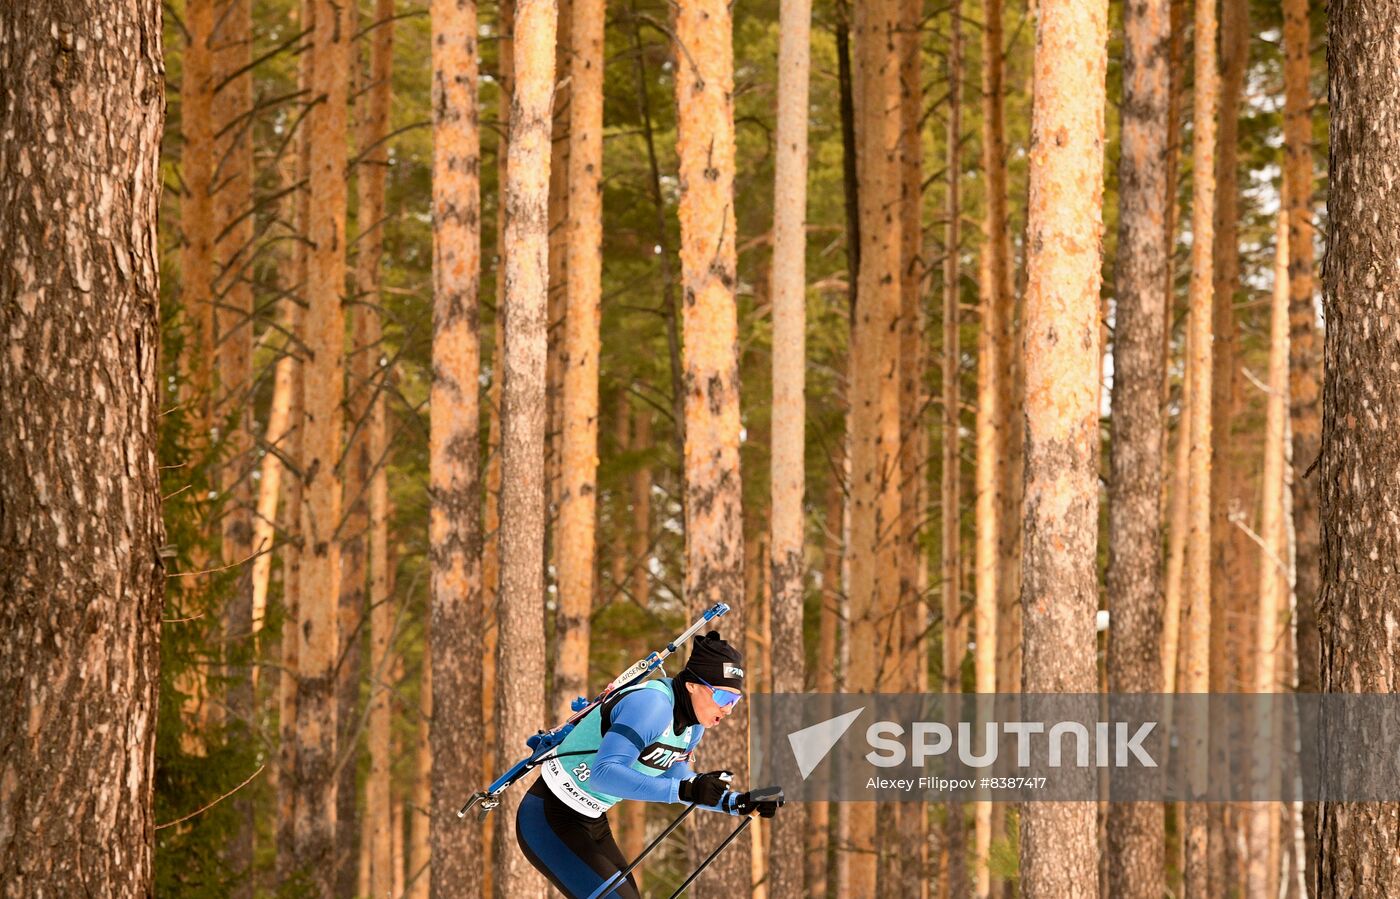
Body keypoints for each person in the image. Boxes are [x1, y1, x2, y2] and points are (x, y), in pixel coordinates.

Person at [514, 630, 781, 898]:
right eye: (723, 698)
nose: (728, 710)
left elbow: (678, 780)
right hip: (550, 816)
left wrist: (736, 802)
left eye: (735, 701)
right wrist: (684, 789)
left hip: (592, 820)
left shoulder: (693, 727)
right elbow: (603, 775)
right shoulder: (652, 705)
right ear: (692, 685)